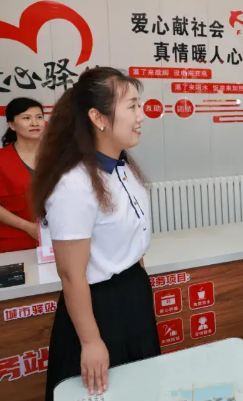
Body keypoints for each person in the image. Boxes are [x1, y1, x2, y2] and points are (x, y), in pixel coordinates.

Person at [31, 67, 160, 401]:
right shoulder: (74, 184)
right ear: (98, 117)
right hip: (99, 308)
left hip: (133, 292)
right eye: (132, 106)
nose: (141, 116)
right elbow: (71, 275)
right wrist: (90, 341)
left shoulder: (124, 167)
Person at [0, 98, 45, 252]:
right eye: (26, 118)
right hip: (15, 242)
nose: (35, 123)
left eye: (39, 117)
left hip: (61, 239)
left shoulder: (60, 155)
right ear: (12, 125)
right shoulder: (2, 159)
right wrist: (27, 227)